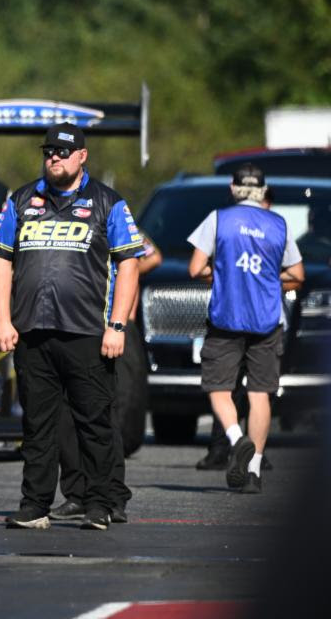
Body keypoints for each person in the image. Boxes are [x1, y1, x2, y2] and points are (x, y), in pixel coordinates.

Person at [0, 123, 144, 531]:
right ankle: (35, 503)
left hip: (88, 331)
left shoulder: (108, 203)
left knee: (94, 422)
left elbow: (130, 263)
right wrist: (3, 319)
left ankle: (100, 501)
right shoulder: (22, 200)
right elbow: (0, 259)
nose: (54, 157)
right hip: (32, 331)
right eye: (48, 151)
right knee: (37, 424)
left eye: (62, 151)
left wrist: (117, 325)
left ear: (82, 156)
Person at [187, 163, 304, 493]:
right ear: (264, 190)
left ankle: (237, 440)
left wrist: (223, 273)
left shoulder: (219, 218)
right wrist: (268, 278)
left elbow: (195, 268)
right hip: (267, 319)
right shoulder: (278, 224)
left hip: (227, 316)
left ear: (232, 187)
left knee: (219, 389)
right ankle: (253, 471)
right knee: (260, 394)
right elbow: (297, 274)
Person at [52, 231, 162, 524]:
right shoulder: (66, 221)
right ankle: (76, 494)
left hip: (116, 327)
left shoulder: (115, 217)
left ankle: (113, 496)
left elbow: (153, 256)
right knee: (66, 412)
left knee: (110, 412)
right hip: (74, 327)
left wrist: (123, 270)